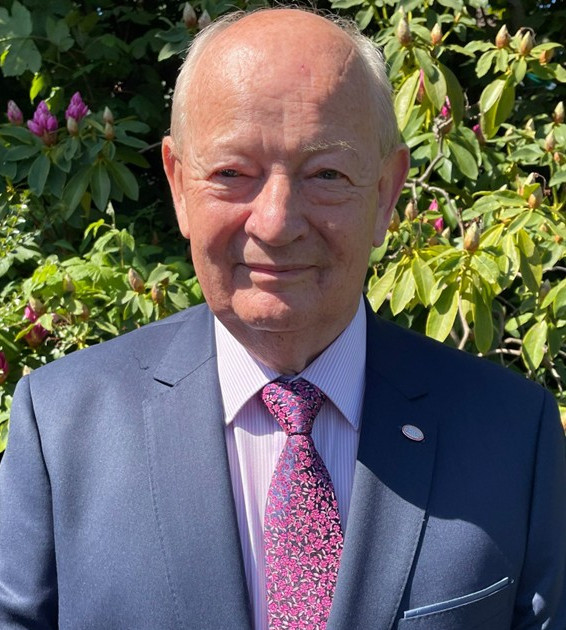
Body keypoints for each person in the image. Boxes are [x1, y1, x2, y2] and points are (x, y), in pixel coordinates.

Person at [0, 8, 564, 630]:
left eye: (326, 174)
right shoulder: (61, 426)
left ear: (385, 193)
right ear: (179, 186)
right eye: (231, 173)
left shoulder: (514, 435)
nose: (275, 223)